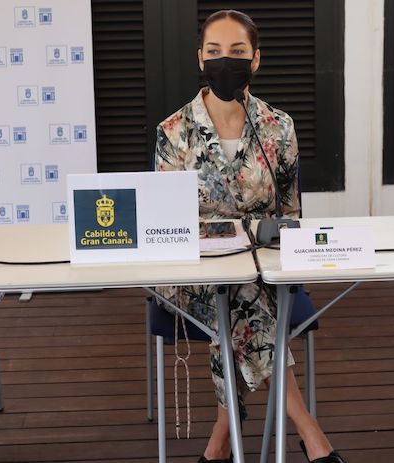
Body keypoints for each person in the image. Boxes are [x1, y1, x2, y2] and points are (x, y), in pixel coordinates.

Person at [154, 10, 346, 463]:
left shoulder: (278, 127)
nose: (226, 60)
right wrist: (248, 230)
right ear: (200, 58)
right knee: (242, 298)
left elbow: (291, 216)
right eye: (215, 51)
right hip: (193, 278)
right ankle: (308, 429)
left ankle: (223, 437)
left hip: (264, 274)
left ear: (255, 59)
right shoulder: (173, 132)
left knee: (244, 298)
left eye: (237, 51)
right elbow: (168, 227)